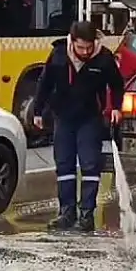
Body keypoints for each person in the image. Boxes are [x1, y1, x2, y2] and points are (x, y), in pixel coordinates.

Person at [32, 20, 124, 231]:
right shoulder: (59, 55)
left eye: (88, 47)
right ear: (72, 42)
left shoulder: (104, 59)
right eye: (80, 47)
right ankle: (66, 212)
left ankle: (86, 214)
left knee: (90, 165)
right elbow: (44, 83)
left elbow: (117, 84)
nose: (84, 52)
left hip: (90, 117)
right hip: (63, 117)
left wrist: (116, 107)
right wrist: (38, 111)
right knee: (64, 166)